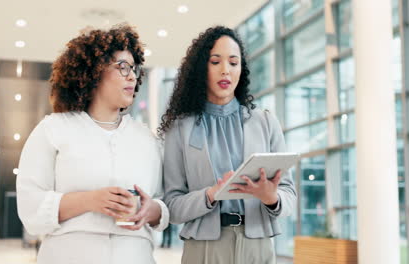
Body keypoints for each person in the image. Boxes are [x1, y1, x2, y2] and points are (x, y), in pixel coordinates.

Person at [16, 24, 169, 264]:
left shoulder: (147, 140)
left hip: (135, 255)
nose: (132, 76)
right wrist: (90, 200)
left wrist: (150, 211)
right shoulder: (53, 129)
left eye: (134, 69)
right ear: (94, 72)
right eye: (122, 67)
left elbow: (164, 203)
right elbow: (30, 207)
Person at [159, 26, 296, 264]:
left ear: (241, 69)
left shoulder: (265, 121)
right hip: (204, 248)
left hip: (258, 246)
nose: (226, 70)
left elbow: (290, 196)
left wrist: (271, 197)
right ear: (201, 68)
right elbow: (172, 207)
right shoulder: (180, 129)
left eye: (234, 63)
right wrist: (210, 195)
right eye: (215, 62)